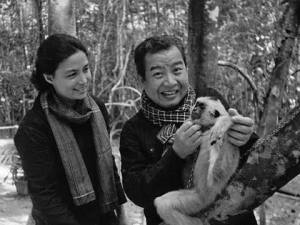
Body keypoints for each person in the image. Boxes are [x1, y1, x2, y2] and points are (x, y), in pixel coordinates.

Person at [119, 35, 258, 225]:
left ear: (186, 70)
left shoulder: (212, 101)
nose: (170, 82)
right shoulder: (134, 129)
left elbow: (252, 161)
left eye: (177, 70)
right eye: (158, 74)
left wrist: (246, 138)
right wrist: (175, 155)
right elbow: (137, 193)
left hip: (231, 216)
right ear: (143, 80)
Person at [14, 33, 127, 225]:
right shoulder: (33, 128)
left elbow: (108, 164)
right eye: (72, 74)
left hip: (104, 216)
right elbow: (46, 198)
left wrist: (122, 214)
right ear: (49, 77)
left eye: (86, 69)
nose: (84, 80)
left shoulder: (96, 108)